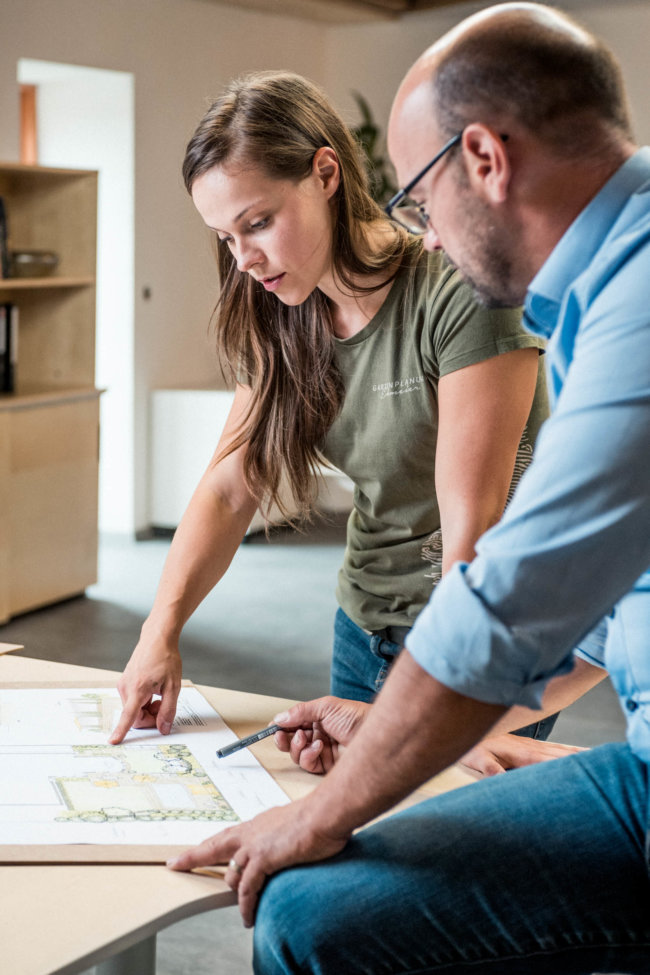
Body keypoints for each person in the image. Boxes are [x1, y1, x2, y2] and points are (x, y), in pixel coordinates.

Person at [166, 4, 650, 974]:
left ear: (483, 158)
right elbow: (587, 604)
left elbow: (501, 598)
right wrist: (391, 723)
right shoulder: (603, 289)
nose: (420, 232)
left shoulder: (628, 311)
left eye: (420, 197)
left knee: (308, 906)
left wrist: (315, 816)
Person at [110, 69, 599, 765]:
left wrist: (426, 710)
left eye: (258, 223)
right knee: (355, 823)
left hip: (481, 632)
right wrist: (159, 630)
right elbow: (230, 486)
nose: (244, 259)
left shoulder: (459, 287)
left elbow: (474, 524)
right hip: (366, 621)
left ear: (326, 173)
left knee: (441, 847)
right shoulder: (279, 310)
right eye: (224, 237)